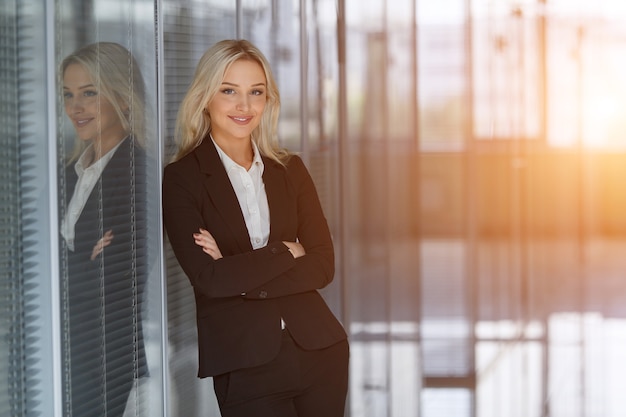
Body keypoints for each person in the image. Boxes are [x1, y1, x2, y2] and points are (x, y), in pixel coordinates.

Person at [162, 39, 349, 417]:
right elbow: (210, 279)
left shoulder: (289, 170)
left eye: (256, 92)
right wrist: (285, 251)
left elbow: (323, 265)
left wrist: (239, 273)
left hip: (319, 350)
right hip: (244, 364)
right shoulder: (183, 178)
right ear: (204, 97)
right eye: (229, 91)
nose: (244, 106)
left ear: (267, 101)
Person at [59, 42, 148, 417]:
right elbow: (25, 262)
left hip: (103, 361)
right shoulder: (64, 175)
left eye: (90, 93)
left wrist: (70, 264)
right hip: (57, 353)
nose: (75, 107)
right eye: (68, 94)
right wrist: (84, 259)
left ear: (124, 100)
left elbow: (115, 279)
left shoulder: (139, 175)